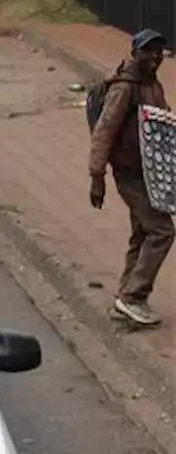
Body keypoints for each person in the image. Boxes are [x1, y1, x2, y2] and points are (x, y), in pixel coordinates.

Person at [89, 28, 174, 326]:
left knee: (143, 232)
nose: (154, 57)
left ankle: (126, 296)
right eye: (149, 50)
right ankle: (133, 297)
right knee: (162, 231)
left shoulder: (151, 83)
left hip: (151, 172)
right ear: (135, 52)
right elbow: (104, 131)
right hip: (131, 175)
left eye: (159, 51)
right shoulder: (124, 88)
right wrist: (96, 176)